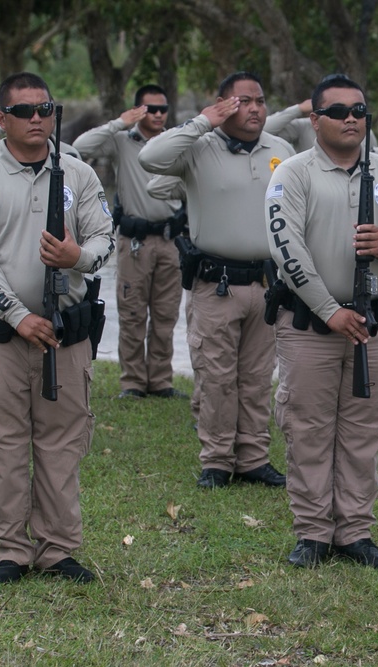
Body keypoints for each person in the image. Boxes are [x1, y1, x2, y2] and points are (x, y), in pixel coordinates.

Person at [264, 75, 378, 568]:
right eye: (337, 111)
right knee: (309, 428)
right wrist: (329, 309)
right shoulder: (291, 173)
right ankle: (314, 533)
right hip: (312, 325)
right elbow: (285, 247)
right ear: (314, 120)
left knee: (365, 429)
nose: (350, 119)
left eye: (359, 110)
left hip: (374, 325)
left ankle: (354, 532)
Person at [0, 72, 114, 584]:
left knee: (62, 441)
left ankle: (58, 547)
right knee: (0, 442)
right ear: (2, 120)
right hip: (4, 333)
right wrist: (18, 316)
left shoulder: (78, 174)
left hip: (65, 331)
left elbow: (105, 237)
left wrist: (78, 257)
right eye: (24, 111)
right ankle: (10, 550)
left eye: (45, 108)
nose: (37, 119)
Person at [139, 71, 294, 489]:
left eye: (260, 100)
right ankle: (217, 460)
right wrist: (202, 121)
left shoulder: (280, 150)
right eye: (243, 101)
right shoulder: (198, 148)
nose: (255, 108)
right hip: (216, 282)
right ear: (223, 105)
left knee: (257, 377)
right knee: (217, 376)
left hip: (265, 284)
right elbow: (149, 158)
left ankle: (253, 457)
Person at [73, 85, 187, 399]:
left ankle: (161, 380)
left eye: (163, 109)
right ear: (138, 110)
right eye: (151, 109)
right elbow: (82, 146)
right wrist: (120, 122)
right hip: (134, 241)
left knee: (165, 315)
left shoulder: (174, 143)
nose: (159, 114)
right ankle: (133, 381)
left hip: (170, 240)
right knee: (133, 312)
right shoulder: (123, 141)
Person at [265, 97, 378, 152]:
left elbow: (373, 157)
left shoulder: (361, 128)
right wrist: (298, 109)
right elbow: (263, 130)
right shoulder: (304, 126)